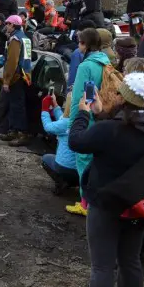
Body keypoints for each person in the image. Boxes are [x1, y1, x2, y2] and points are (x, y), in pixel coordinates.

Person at [68, 72, 144, 287]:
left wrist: (83, 112)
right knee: (130, 260)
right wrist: (102, 113)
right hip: (140, 204)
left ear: (125, 98)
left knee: (102, 267)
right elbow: (126, 127)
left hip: (106, 203)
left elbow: (77, 141)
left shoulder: (111, 130)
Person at [67, 28, 110, 216]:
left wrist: (73, 123)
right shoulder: (105, 61)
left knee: (83, 162)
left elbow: (80, 98)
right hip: (100, 117)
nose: (78, 45)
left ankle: (85, 204)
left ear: (85, 44)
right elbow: (92, 92)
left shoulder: (86, 66)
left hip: (87, 120)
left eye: (80, 42)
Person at [0, 15, 32, 147]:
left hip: (16, 77)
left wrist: (7, 80)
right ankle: (13, 130)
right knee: (15, 105)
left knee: (17, 106)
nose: (6, 26)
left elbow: (12, 62)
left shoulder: (15, 39)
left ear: (13, 25)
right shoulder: (26, 38)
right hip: (25, 76)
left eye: (7, 23)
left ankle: (22, 134)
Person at [41, 92, 79, 195]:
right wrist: (55, 105)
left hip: (64, 167)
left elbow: (48, 126)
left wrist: (44, 110)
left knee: (45, 158)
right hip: (81, 169)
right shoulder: (85, 121)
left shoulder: (66, 123)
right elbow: (63, 119)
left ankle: (61, 182)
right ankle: (76, 184)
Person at [67, 20, 97, 89]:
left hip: (80, 95)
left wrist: (69, 93)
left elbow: (72, 80)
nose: (77, 32)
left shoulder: (78, 54)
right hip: (95, 95)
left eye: (80, 42)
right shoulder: (100, 55)